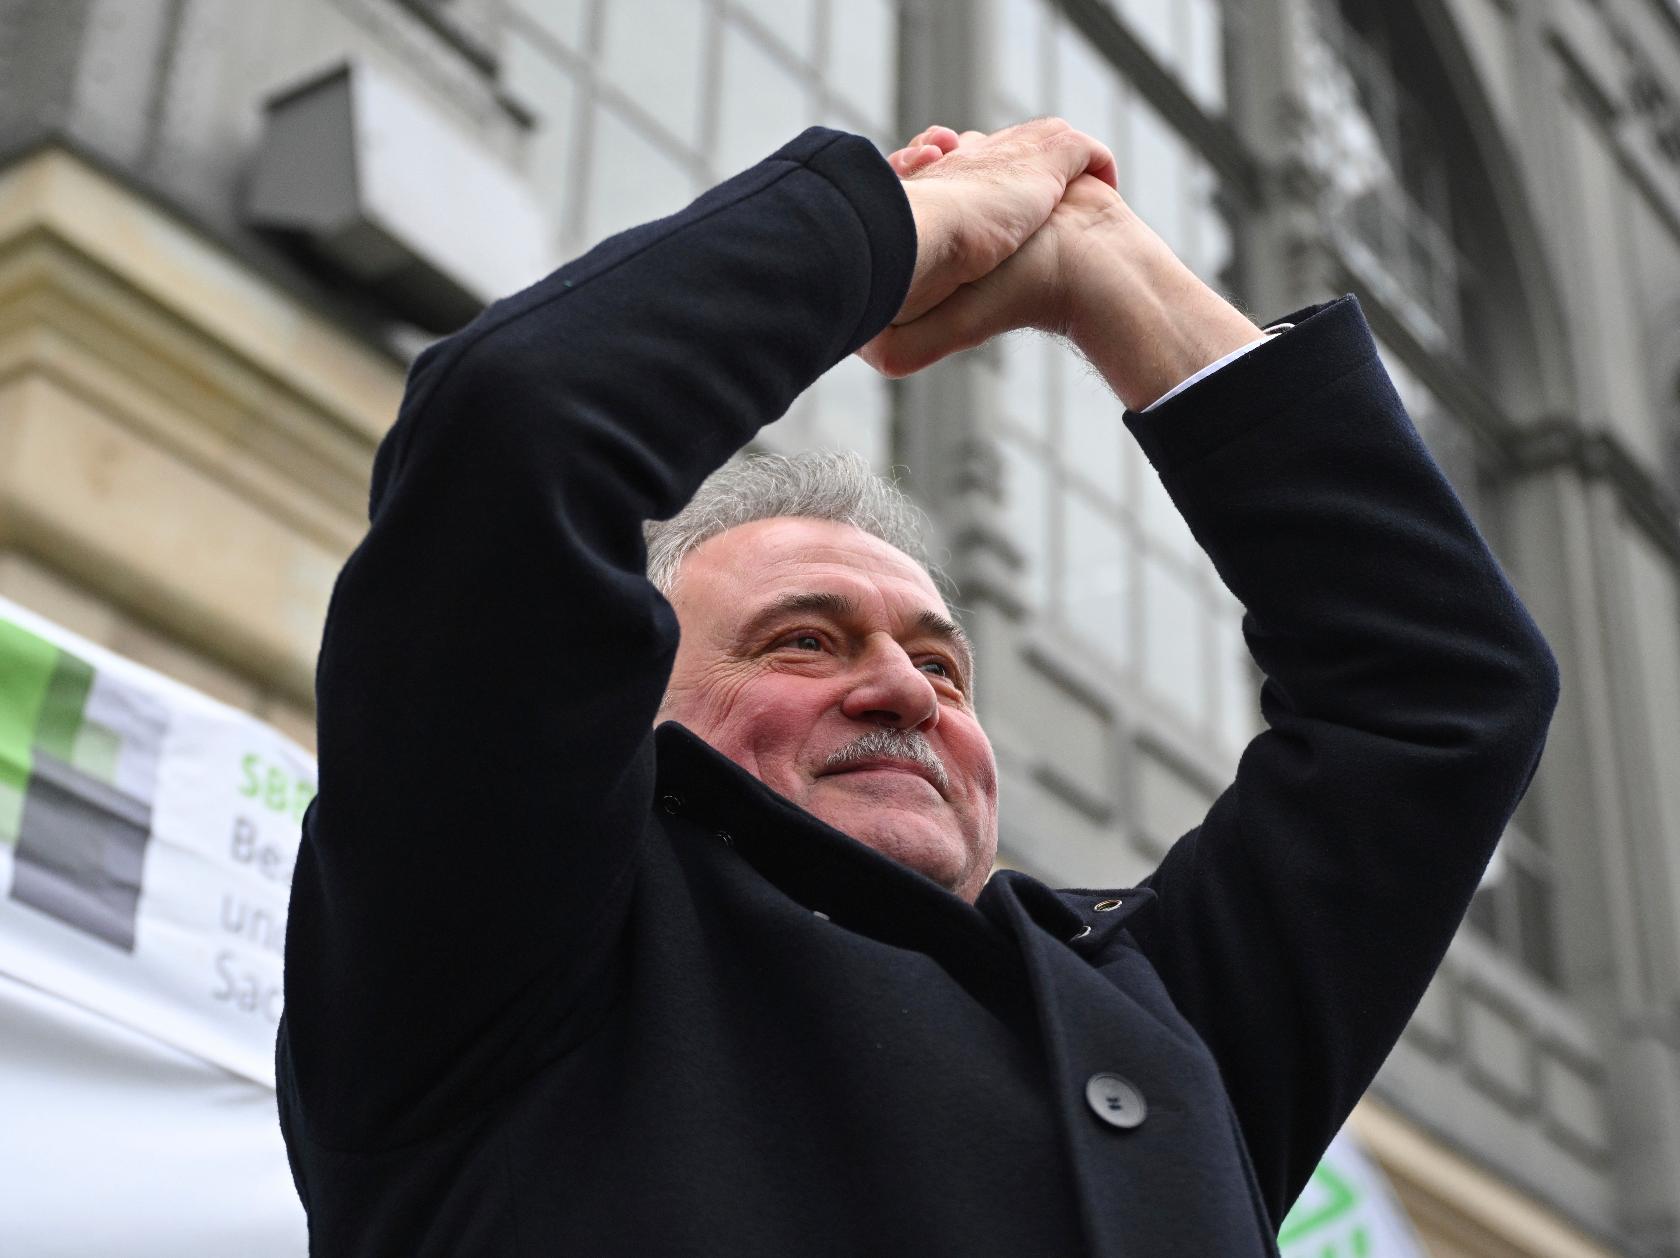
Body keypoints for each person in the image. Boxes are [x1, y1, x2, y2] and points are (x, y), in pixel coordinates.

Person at [276, 119, 1560, 1256]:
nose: (903, 689)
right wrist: (898, 229)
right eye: (802, 642)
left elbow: (1445, 693)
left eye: (943, 662)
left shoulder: (1157, 1030)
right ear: (627, 718)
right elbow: (518, 428)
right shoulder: (502, 954)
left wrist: (1108, 275)